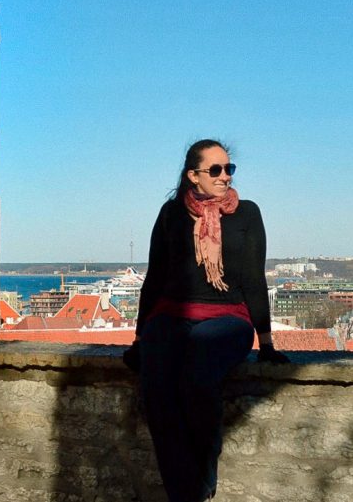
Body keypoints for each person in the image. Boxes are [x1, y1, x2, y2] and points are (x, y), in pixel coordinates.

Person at [123, 139, 288, 502]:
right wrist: (139, 338)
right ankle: (187, 492)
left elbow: (253, 278)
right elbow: (155, 278)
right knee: (157, 390)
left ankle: (202, 475)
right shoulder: (170, 215)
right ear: (193, 176)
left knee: (197, 378)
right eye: (216, 170)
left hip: (228, 317)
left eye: (229, 169)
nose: (225, 176)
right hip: (171, 314)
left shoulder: (247, 214)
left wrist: (267, 341)